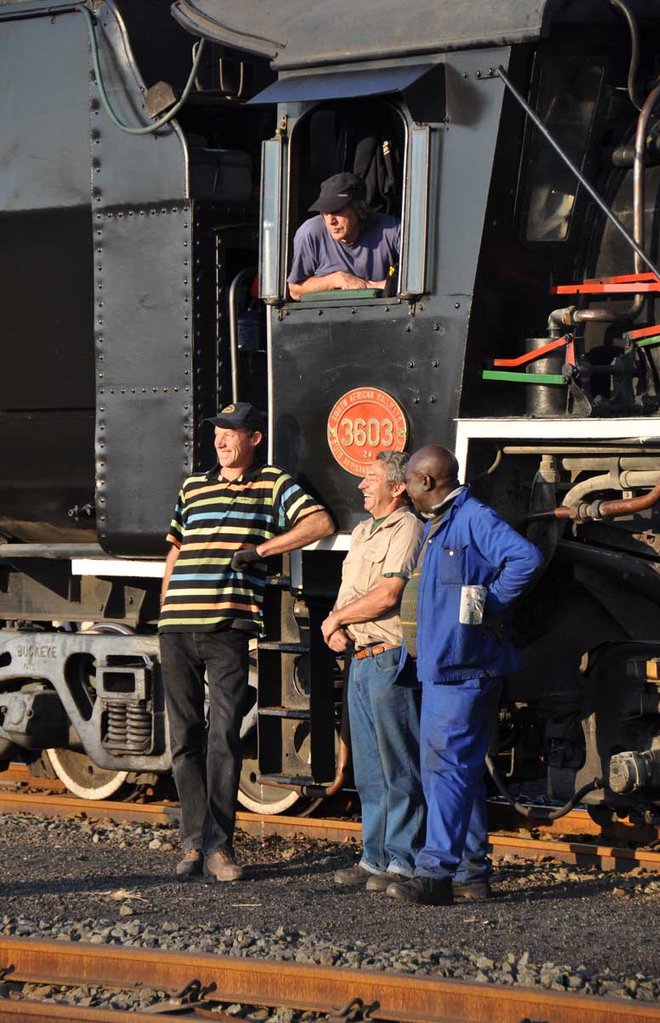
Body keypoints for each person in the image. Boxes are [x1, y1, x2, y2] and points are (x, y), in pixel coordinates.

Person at [158, 403, 334, 882]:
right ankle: (193, 844)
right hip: (176, 627)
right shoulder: (193, 486)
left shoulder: (273, 482)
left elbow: (320, 524)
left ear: (254, 438)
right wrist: (163, 608)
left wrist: (261, 551)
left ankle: (219, 847)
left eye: (231, 433)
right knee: (184, 739)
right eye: (217, 432)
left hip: (228, 628)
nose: (220, 441)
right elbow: (175, 548)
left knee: (223, 737)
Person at [385, 445, 543, 906]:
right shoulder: (443, 522)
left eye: (410, 481)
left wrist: (487, 602)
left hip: (460, 668)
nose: (405, 488)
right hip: (445, 665)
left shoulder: (472, 518)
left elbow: (525, 559)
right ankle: (471, 873)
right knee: (463, 772)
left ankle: (434, 874)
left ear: (429, 481)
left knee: (444, 769)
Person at [321, 452, 424, 891]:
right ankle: (374, 859)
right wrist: (335, 627)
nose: (362, 485)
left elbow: (387, 595)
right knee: (367, 768)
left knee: (398, 764)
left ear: (398, 487)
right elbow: (348, 595)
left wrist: (338, 619)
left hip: (389, 658)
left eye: (371, 478)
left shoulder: (409, 528)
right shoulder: (364, 531)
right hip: (361, 660)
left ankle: (404, 860)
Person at [287, 172, 400, 301]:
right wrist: (335, 280)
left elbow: (417, 279)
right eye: (325, 212)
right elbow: (295, 291)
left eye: (337, 211)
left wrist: (377, 286)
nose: (330, 221)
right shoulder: (310, 232)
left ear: (360, 210)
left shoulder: (390, 229)